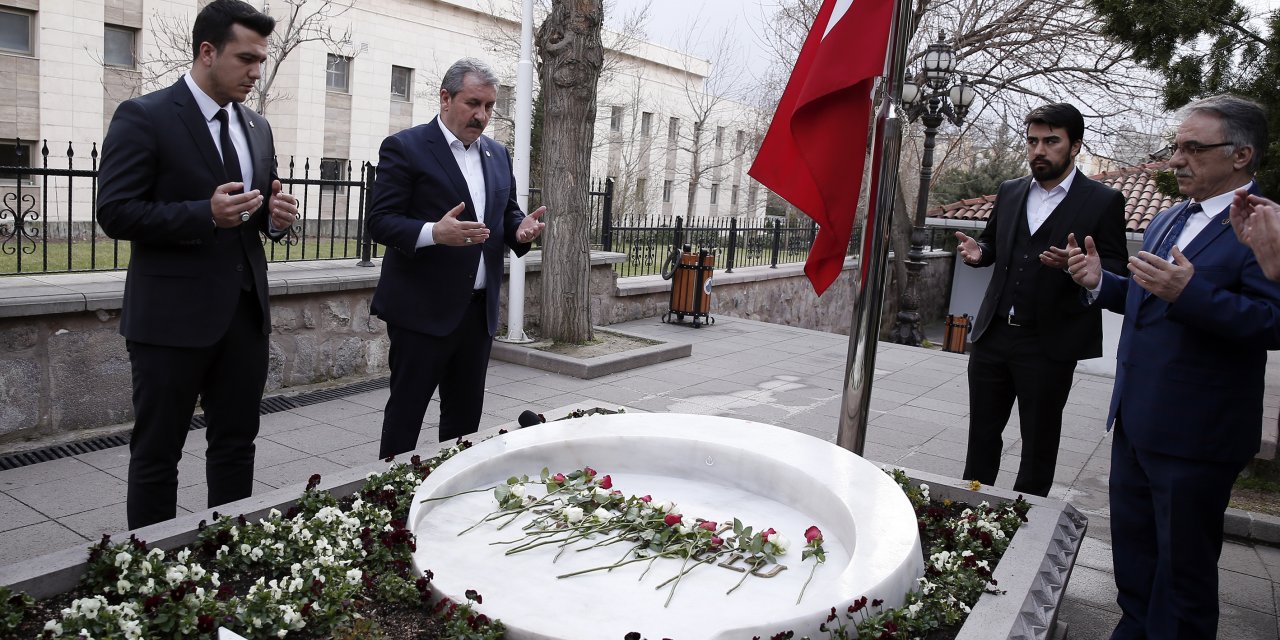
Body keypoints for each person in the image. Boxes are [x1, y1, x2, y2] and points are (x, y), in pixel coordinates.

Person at [1067, 94, 1280, 639]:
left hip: (1198, 434)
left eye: (1193, 148)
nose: (1177, 159)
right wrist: (1100, 281)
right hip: (1136, 421)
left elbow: (1272, 323)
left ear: (1240, 155)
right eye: (1176, 146)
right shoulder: (1167, 218)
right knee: (1134, 558)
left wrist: (1193, 294)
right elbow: (1150, 299)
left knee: (1182, 575)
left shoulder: (1265, 226)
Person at [97, 0, 298, 530]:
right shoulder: (145, 116)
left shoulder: (257, 126)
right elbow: (115, 212)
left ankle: (224, 550)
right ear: (207, 52)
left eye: (261, 60)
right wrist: (203, 214)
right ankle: (154, 563)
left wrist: (275, 218)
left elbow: (254, 211)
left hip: (244, 316)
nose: (256, 72)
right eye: (246, 59)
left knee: (236, 445)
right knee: (157, 452)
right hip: (169, 320)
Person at [368, 58, 546, 459]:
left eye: (489, 106)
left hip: (477, 314)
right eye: (473, 103)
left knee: (464, 424)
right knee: (405, 418)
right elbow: (380, 221)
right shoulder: (406, 148)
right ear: (445, 98)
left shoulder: (497, 154)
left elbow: (505, 212)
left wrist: (519, 229)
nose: (482, 115)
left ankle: (454, 487)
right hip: (421, 313)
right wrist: (434, 232)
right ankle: (388, 490)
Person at [953, 103, 1127, 497]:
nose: (1039, 150)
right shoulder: (1011, 190)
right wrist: (980, 253)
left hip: (1050, 342)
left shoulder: (1102, 201)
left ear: (1075, 146)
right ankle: (971, 508)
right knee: (982, 434)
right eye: (1032, 141)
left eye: (1051, 141)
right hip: (993, 333)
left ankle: (1026, 516)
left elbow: (1116, 266)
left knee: (1039, 441)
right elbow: (992, 242)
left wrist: (1081, 267)